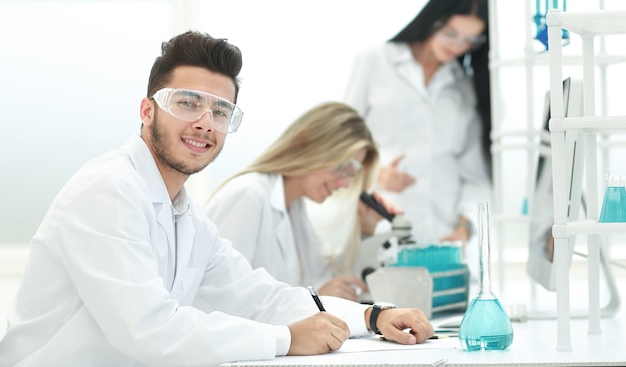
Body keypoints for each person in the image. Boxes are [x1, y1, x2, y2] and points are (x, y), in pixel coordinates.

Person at [0, 31, 434, 367]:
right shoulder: (107, 190)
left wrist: (372, 317)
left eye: (221, 112)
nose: (206, 123)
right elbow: (146, 328)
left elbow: (259, 296)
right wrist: (285, 339)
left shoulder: (185, 215)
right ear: (147, 111)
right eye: (188, 103)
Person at [343, 0, 492, 247]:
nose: (457, 46)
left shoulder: (466, 88)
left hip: (443, 237)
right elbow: (339, 145)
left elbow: (475, 175)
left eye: (470, 40)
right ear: (432, 19)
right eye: (451, 33)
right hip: (379, 227)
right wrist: (375, 174)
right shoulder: (375, 62)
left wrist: (464, 227)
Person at [204, 101, 396, 302]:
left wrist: (366, 229)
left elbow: (330, 278)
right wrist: (312, 300)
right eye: (343, 168)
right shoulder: (247, 196)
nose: (345, 183)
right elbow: (219, 300)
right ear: (310, 146)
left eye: (352, 174)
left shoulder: (294, 207)